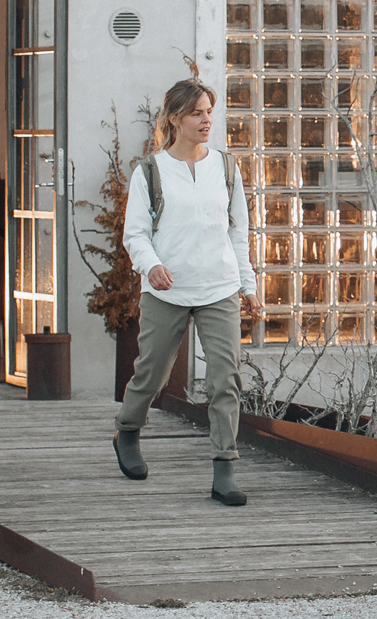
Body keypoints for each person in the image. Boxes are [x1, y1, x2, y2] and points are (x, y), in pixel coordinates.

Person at [111, 78, 260, 507]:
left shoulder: (227, 168)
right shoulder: (150, 172)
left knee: (225, 380)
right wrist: (151, 265)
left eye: (209, 111)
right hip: (167, 289)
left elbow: (239, 233)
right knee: (152, 374)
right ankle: (127, 430)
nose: (206, 120)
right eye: (197, 112)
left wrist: (248, 287)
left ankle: (224, 468)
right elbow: (135, 234)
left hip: (219, 287)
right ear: (175, 119)